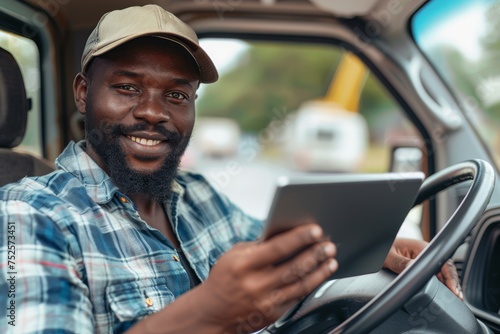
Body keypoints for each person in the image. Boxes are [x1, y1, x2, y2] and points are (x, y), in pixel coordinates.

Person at [0, 5, 461, 334]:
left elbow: (276, 249)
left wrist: (374, 242)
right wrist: (209, 314)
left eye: (176, 96)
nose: (153, 113)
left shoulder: (196, 192)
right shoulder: (26, 215)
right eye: (126, 87)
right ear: (83, 93)